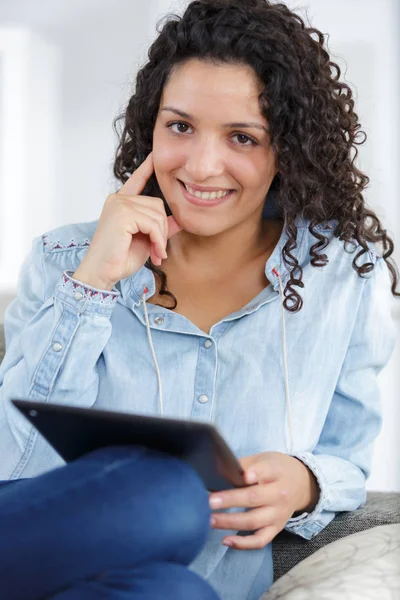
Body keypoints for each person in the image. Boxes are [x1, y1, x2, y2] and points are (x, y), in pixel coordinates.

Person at [0, 0, 398, 598]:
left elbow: (345, 457)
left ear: (288, 149)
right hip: (42, 546)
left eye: (243, 136)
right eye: (180, 126)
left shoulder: (341, 274)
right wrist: (93, 285)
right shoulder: (67, 259)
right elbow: (17, 464)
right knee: (170, 495)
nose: (202, 165)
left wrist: (304, 481)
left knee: (180, 591)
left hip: (197, 582)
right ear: (150, 127)